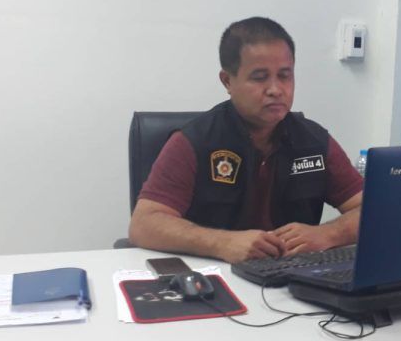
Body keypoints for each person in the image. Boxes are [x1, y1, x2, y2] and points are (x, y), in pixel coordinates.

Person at [128, 17, 364, 264]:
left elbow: (372, 209)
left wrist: (327, 234)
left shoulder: (314, 142)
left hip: (293, 277)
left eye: (285, 76)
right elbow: (144, 224)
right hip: (214, 276)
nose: (275, 89)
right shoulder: (194, 142)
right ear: (228, 81)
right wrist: (221, 242)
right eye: (260, 77)